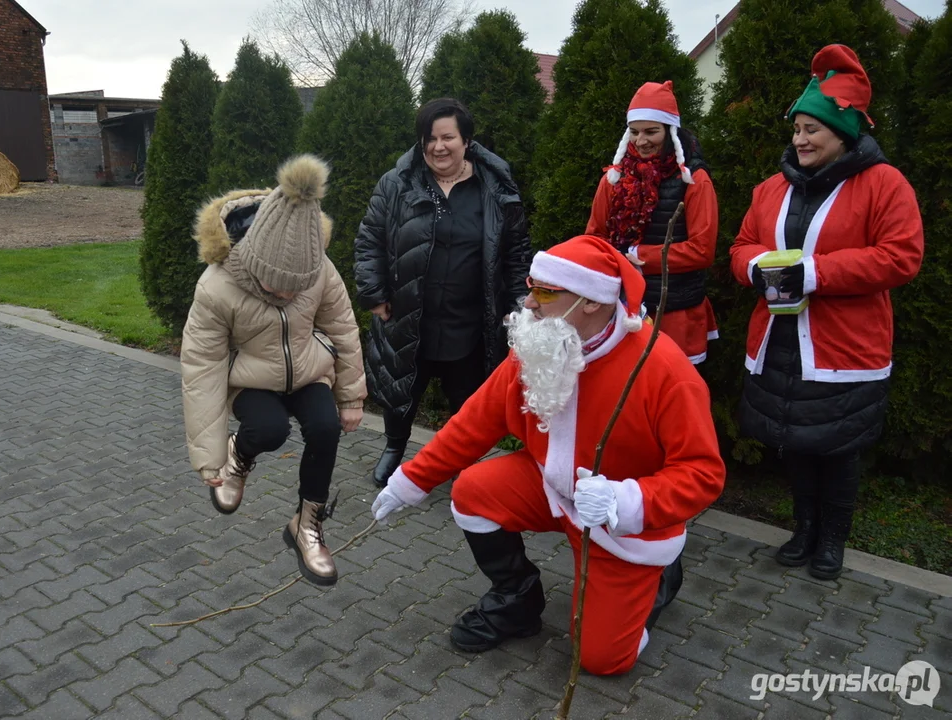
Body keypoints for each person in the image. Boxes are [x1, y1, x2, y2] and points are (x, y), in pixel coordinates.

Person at [370, 235, 725, 675]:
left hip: (616, 522)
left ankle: (658, 579)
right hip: (551, 489)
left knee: (601, 661)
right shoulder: (541, 343)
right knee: (474, 490)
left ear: (592, 301)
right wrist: (412, 480)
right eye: (531, 287)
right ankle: (516, 600)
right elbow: (475, 421)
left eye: (545, 292)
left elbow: (702, 473)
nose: (530, 304)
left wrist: (625, 501)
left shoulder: (665, 371)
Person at [730, 45, 923, 580]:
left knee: (838, 449)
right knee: (795, 442)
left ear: (843, 132)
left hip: (843, 346)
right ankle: (803, 529)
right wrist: (759, 267)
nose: (800, 139)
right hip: (780, 339)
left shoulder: (885, 184)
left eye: (812, 129)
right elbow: (741, 245)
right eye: (796, 129)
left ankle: (833, 540)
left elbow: (901, 256)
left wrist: (815, 273)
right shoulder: (771, 189)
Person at [181, 155, 367, 587]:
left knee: (325, 428)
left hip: (308, 370)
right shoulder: (216, 286)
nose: (286, 293)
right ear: (254, 261)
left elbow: (342, 325)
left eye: (296, 285)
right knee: (270, 431)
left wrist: (352, 396)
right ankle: (238, 455)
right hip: (250, 378)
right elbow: (202, 367)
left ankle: (307, 524)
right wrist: (208, 457)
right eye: (275, 284)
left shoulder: (319, 268)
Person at [354, 98, 532, 488]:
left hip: (470, 317)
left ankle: (461, 463)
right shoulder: (397, 183)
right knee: (402, 386)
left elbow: (517, 251)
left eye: (448, 137)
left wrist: (519, 305)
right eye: (430, 138)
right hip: (408, 312)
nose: (438, 147)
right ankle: (394, 449)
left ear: (466, 140)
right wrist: (374, 292)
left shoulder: (495, 187)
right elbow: (369, 239)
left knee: (467, 399)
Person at [587, 81, 719, 365]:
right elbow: (594, 238)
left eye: (651, 132)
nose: (641, 141)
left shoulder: (694, 179)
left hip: (676, 312)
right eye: (634, 132)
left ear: (671, 131)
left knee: (675, 392)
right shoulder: (613, 178)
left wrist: (638, 256)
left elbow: (702, 249)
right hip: (623, 308)